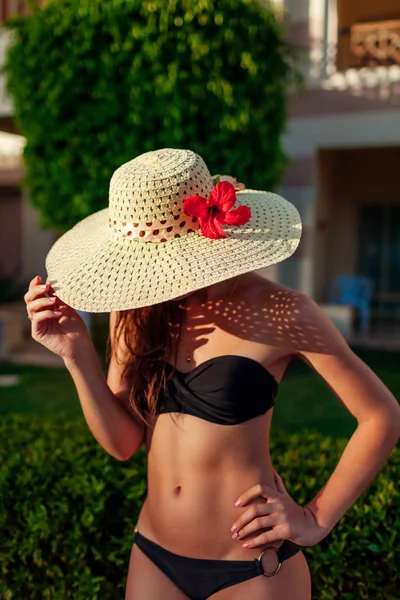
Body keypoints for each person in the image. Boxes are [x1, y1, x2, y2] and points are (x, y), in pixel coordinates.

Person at [24, 148, 400, 600]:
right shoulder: (139, 313)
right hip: (154, 556)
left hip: (250, 568)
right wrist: (76, 353)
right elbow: (123, 444)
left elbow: (381, 415)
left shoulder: (283, 311)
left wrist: (316, 518)